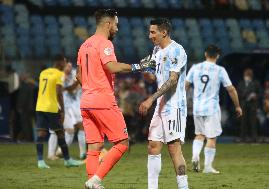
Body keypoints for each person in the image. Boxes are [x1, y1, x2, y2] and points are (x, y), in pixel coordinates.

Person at [76, 9, 155, 189]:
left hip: (86, 101)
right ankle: (96, 180)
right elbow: (112, 66)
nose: (117, 29)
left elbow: (78, 76)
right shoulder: (104, 43)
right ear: (108, 24)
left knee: (94, 147)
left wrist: (90, 89)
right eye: (116, 25)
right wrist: (139, 66)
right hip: (102, 100)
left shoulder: (84, 45)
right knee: (122, 142)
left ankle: (92, 184)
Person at [139, 18, 189, 189]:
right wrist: (147, 74)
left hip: (174, 106)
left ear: (164, 32)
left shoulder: (177, 50)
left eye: (153, 32)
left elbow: (173, 80)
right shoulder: (156, 50)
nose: (149, 35)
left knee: (174, 148)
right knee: (153, 146)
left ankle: (184, 187)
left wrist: (151, 98)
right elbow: (155, 75)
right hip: (161, 105)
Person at [185, 45, 242, 174]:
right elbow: (231, 89)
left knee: (199, 135)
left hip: (197, 108)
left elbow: (185, 86)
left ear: (205, 54)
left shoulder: (195, 68)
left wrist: (181, 102)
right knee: (211, 138)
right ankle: (208, 167)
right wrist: (237, 106)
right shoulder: (219, 70)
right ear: (217, 56)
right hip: (211, 108)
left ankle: (195, 156)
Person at [35, 54, 83, 169]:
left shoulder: (43, 73)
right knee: (60, 133)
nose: (65, 65)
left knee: (41, 134)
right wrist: (62, 111)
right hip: (52, 107)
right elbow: (59, 93)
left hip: (40, 106)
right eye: (65, 62)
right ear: (60, 62)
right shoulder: (59, 74)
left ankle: (40, 161)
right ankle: (67, 160)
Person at [47, 62, 86, 160]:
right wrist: (78, 81)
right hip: (63, 106)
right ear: (63, 68)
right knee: (66, 130)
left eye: (70, 66)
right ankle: (58, 152)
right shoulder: (60, 76)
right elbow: (71, 89)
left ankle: (82, 153)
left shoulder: (74, 73)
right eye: (67, 66)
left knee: (81, 127)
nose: (69, 67)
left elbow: (76, 86)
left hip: (75, 104)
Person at [237, 68, 260, 142]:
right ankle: (242, 138)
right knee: (243, 122)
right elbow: (238, 94)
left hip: (253, 105)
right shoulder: (241, 83)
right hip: (244, 104)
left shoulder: (255, 83)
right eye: (246, 75)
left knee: (253, 122)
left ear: (251, 76)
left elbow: (260, 93)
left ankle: (254, 138)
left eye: (248, 75)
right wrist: (246, 95)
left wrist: (255, 96)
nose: (247, 77)